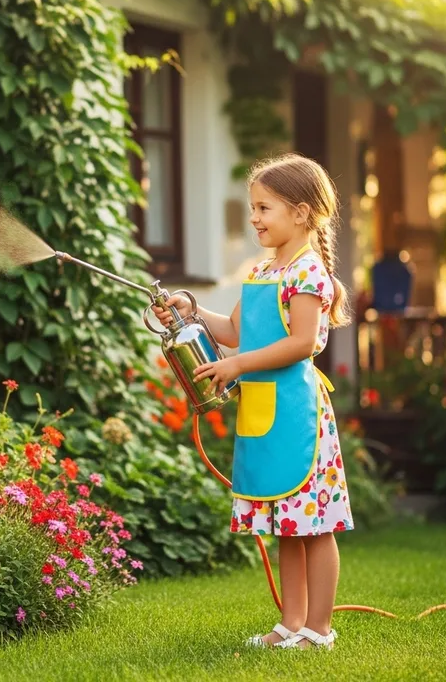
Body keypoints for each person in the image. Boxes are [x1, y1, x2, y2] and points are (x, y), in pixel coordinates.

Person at [153, 153, 354, 651]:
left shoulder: (309, 273)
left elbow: (303, 342)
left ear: (302, 213)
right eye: (253, 208)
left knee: (315, 524)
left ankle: (320, 630)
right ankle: (290, 623)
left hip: (297, 414)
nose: (255, 218)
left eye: (265, 208)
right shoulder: (265, 271)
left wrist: (237, 364)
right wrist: (192, 307)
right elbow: (237, 330)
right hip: (265, 410)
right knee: (285, 520)